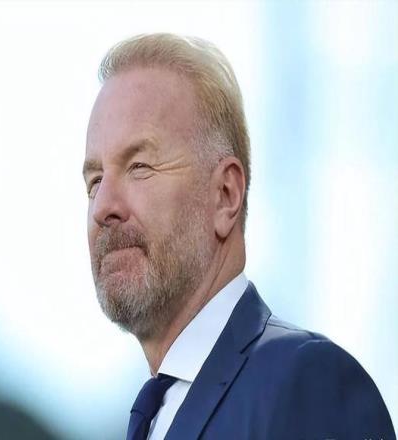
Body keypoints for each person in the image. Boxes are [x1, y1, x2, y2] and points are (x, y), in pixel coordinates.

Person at [83, 33, 395, 440]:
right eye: (94, 181)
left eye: (139, 166)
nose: (103, 206)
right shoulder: (153, 419)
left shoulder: (306, 386)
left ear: (226, 195)